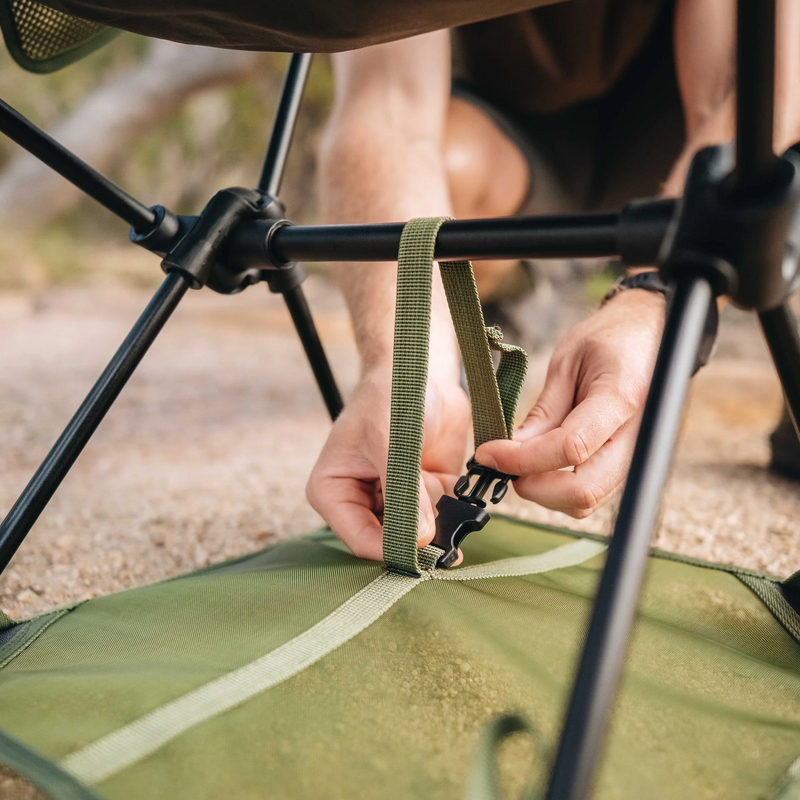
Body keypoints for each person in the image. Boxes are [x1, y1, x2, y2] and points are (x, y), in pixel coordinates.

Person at [306, 0, 800, 562]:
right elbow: (386, 112)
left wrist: (654, 300)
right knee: (450, 168)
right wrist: (405, 364)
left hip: (680, 129)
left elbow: (746, 100)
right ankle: (507, 289)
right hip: (515, 133)